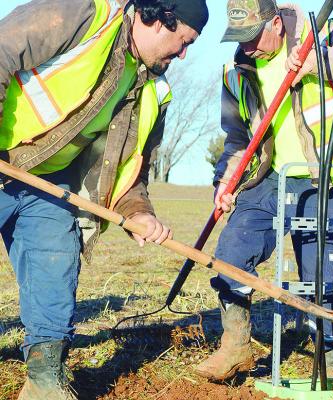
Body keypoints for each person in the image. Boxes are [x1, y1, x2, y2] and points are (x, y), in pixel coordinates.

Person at [0, 0, 208, 398]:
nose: (183, 55)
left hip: (46, 183)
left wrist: (139, 213)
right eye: (183, 41)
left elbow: (130, 170)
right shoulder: (83, 14)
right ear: (157, 18)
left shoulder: (155, 90)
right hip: (4, 160)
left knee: (55, 270)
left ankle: (45, 380)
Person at [195, 0, 333, 381]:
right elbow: (236, 139)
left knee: (323, 276)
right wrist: (225, 183)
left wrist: (320, 62)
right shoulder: (237, 71)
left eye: (252, 37)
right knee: (232, 250)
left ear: (277, 24)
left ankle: (331, 356)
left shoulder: (322, 35)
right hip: (272, 177)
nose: (246, 47)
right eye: (238, 38)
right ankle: (236, 346)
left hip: (327, 176)